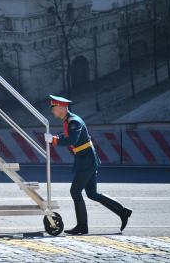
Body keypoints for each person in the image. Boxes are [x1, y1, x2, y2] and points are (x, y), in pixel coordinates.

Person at [44, 95, 132, 235]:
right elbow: (68, 136)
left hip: (86, 159)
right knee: (92, 193)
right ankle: (123, 211)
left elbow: (72, 139)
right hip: (85, 158)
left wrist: (54, 140)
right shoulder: (68, 120)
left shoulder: (74, 121)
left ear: (61, 107)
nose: (52, 112)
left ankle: (82, 226)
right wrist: (58, 138)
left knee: (75, 191)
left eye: (53, 108)